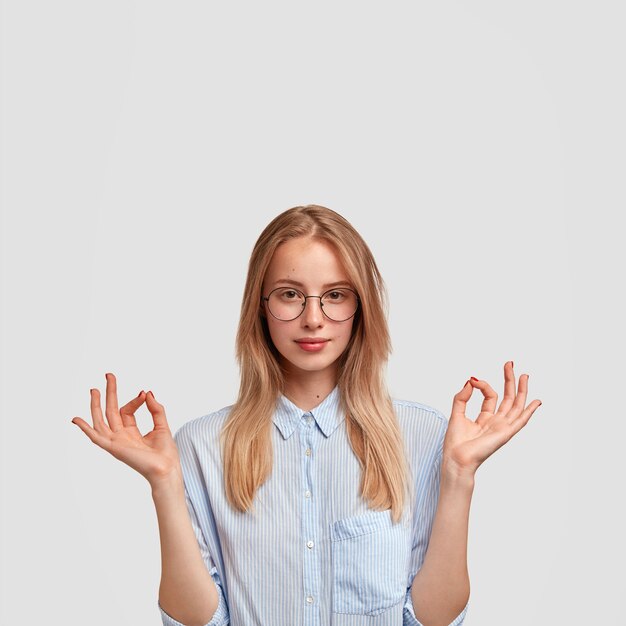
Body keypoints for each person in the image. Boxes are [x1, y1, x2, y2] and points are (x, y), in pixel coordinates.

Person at [71, 204, 542, 626]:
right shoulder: (200, 444)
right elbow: (199, 624)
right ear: (261, 307)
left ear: (361, 307)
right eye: (290, 294)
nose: (313, 318)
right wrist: (165, 482)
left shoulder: (422, 435)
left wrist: (459, 474)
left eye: (335, 295)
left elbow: (431, 622)